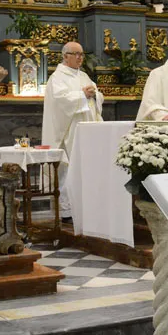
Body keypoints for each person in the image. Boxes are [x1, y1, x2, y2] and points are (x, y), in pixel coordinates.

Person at [41, 42, 103, 217]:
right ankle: (67, 211)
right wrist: (82, 95)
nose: (79, 57)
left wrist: (95, 94)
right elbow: (60, 101)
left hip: (87, 131)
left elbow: (98, 96)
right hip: (69, 131)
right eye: (75, 54)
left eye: (81, 54)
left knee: (87, 169)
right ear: (65, 56)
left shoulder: (84, 76)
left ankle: (86, 206)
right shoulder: (57, 78)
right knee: (68, 169)